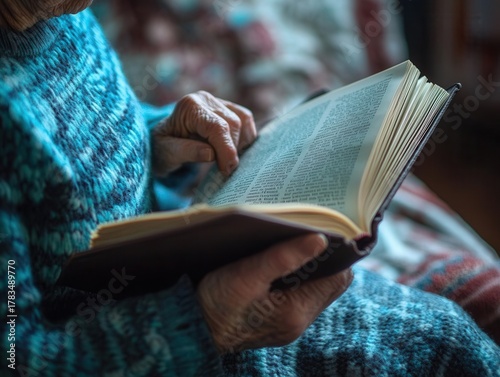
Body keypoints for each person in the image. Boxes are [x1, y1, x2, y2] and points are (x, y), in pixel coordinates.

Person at [0, 1, 498, 376]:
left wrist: (161, 139)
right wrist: (208, 325)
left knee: (450, 331)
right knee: (443, 348)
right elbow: (17, 357)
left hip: (180, 275)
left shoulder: (59, 14)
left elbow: (76, 156)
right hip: (170, 342)